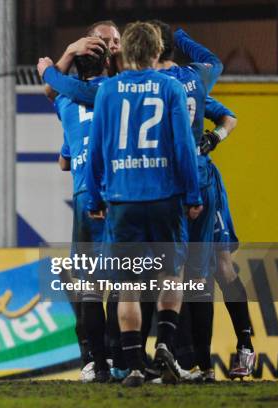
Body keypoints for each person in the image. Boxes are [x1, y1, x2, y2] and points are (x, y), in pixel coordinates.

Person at [84, 22, 202, 387]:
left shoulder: (107, 91)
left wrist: (94, 195)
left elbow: (98, 147)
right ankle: (165, 343)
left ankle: (133, 365)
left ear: (125, 53)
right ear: (155, 52)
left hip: (123, 200)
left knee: (128, 284)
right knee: (171, 275)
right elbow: (183, 145)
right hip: (165, 197)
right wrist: (192, 194)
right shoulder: (170, 88)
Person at [148, 20, 223, 382]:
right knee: (199, 276)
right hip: (201, 179)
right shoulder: (195, 77)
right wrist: (183, 37)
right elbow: (215, 62)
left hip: (165, 183)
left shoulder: (150, 84)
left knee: (163, 274)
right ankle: (204, 365)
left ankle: (171, 355)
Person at [38, 47, 110, 383]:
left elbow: (65, 161)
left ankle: (95, 362)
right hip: (119, 193)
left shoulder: (66, 103)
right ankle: (130, 359)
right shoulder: (117, 93)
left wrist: (55, 65)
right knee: (131, 280)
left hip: (84, 195)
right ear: (107, 64)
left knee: (88, 285)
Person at [203, 96, 256, 379]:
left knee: (222, 265)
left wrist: (214, 138)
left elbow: (229, 118)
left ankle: (245, 345)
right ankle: (192, 360)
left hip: (203, 185)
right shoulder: (132, 82)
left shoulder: (188, 82)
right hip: (167, 183)